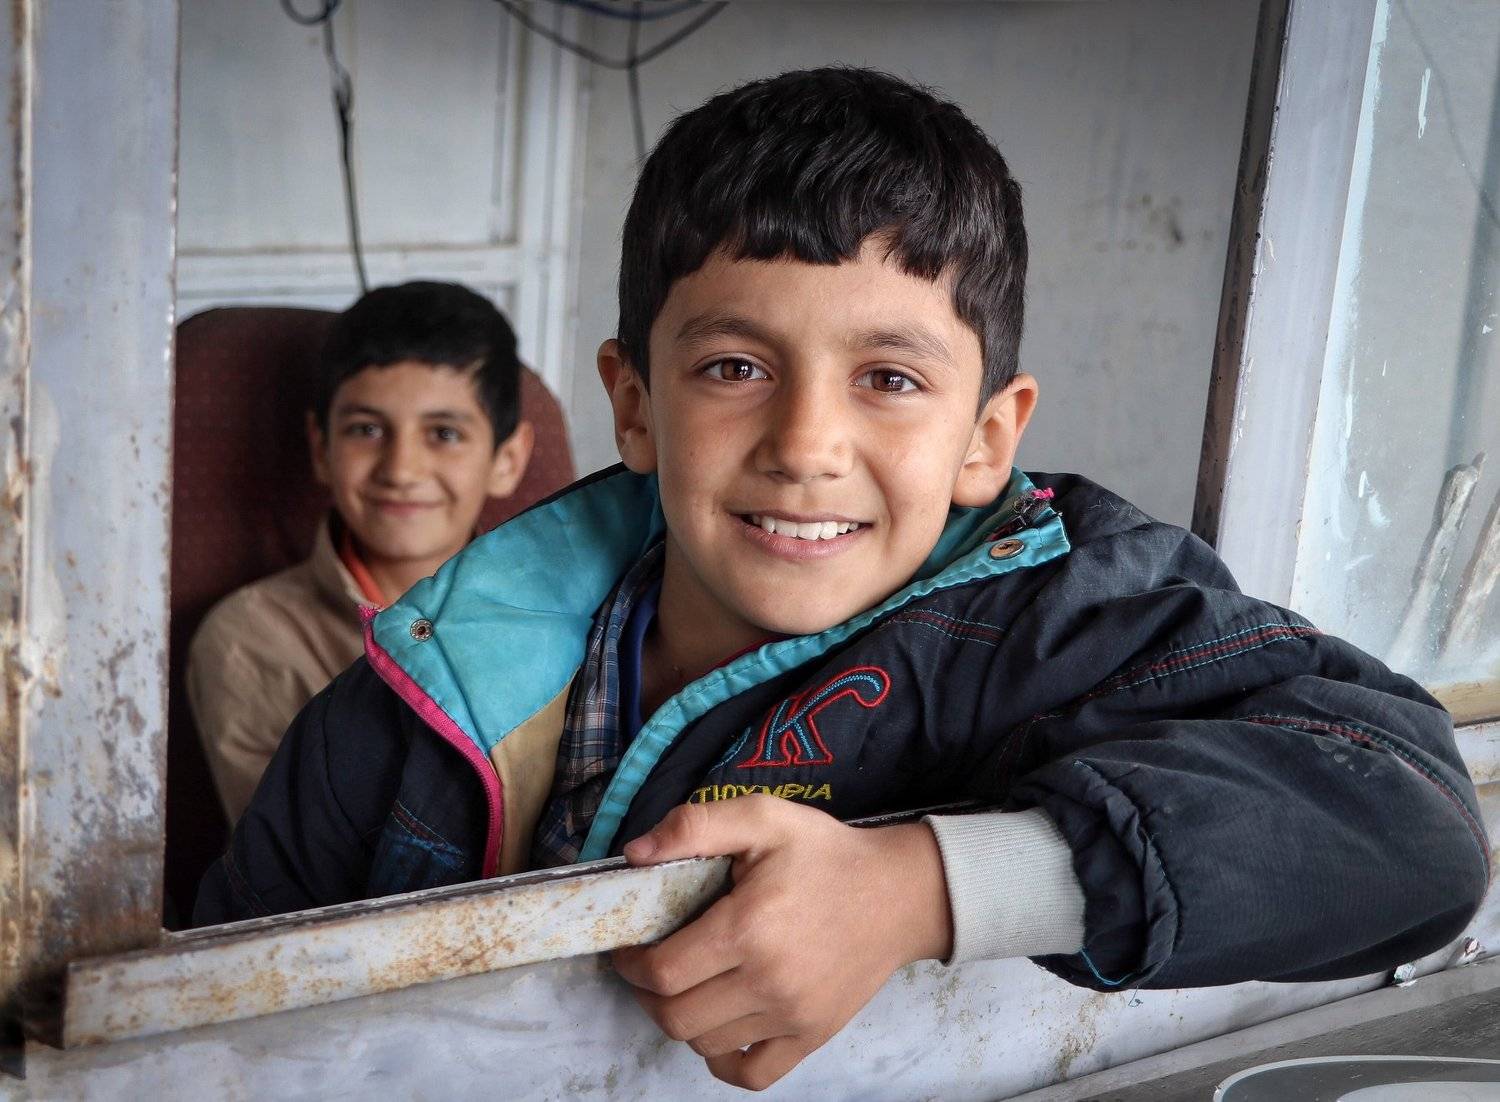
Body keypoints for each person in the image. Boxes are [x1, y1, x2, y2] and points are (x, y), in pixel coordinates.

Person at [196, 69, 1488, 1091]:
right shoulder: (420, 690)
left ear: (988, 433)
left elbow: (1413, 828)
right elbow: (207, 1036)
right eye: (735, 368)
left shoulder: (1060, 616)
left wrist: (917, 888)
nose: (807, 444)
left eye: (890, 378)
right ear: (633, 405)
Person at [186, 281, 534, 821]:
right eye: (367, 429)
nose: (401, 470)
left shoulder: (560, 610)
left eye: (444, 433)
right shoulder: (250, 641)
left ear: (507, 460)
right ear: (321, 448)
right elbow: (298, 857)